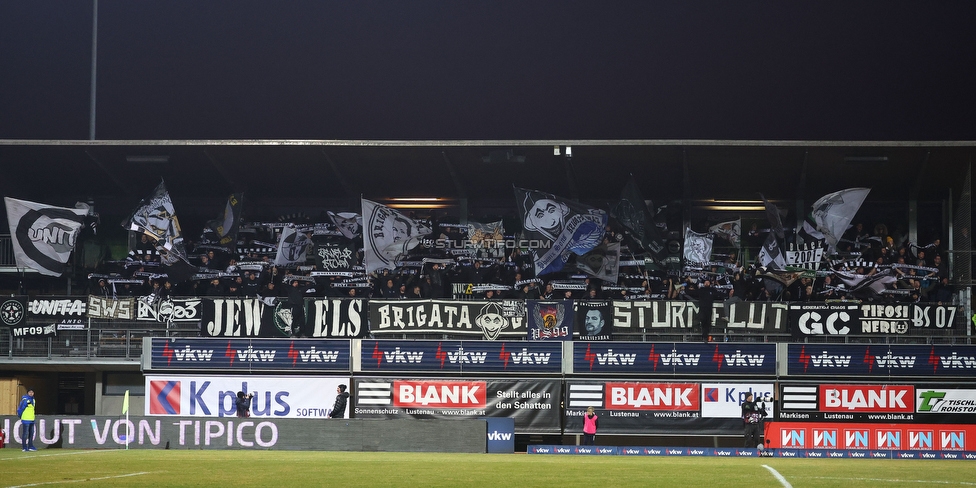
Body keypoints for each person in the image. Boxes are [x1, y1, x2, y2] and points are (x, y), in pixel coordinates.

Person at [17, 387, 37, 451]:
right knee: (25, 433)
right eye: (30, 392)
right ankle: (24, 447)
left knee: (31, 433)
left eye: (32, 392)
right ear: (27, 393)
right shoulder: (25, 400)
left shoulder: (33, 400)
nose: (31, 393)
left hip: (31, 419)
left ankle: (30, 446)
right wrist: (21, 416)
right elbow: (20, 409)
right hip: (26, 419)